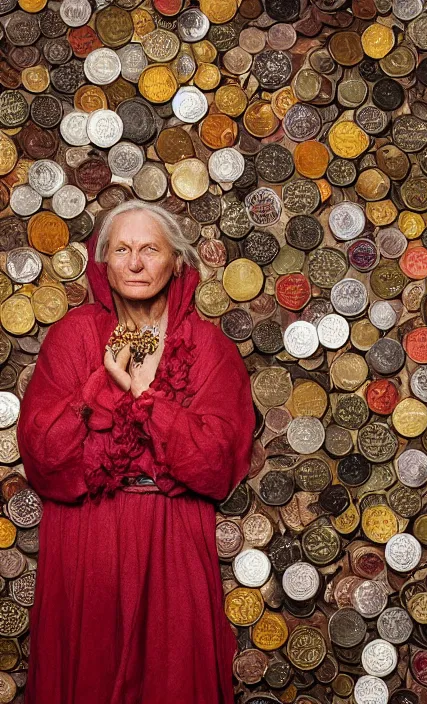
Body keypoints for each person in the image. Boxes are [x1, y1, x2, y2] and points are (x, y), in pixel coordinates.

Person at [16, 200, 257, 704]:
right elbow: (42, 456)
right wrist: (101, 387)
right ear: (104, 263)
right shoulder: (72, 337)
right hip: (87, 538)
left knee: (173, 678)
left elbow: (217, 466)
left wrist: (151, 402)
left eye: (151, 249)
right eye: (122, 249)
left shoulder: (209, 346)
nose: (136, 262)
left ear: (176, 262)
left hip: (173, 534)